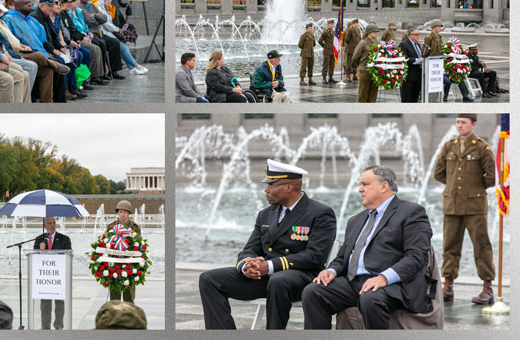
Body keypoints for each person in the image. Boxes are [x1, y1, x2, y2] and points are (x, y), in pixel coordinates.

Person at [199, 160, 337, 329]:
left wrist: (269, 266)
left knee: (278, 281)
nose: (266, 189)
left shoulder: (320, 213)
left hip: (302, 277)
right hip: (265, 277)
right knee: (209, 279)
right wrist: (247, 265)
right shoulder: (265, 214)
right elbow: (250, 248)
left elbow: (315, 256)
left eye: (271, 185)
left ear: (288, 187)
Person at [301, 166, 433, 330]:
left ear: (384, 186)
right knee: (313, 292)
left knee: (370, 298)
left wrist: (384, 278)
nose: (359, 189)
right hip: (355, 282)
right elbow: (342, 257)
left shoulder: (412, 212)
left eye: (365, 184)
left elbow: (416, 256)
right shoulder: (356, 220)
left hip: (395, 284)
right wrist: (331, 271)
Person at [434, 114, 496, 305]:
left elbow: (492, 176)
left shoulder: (482, 147)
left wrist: (474, 187)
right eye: (458, 122)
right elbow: (438, 173)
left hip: (474, 205)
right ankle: (448, 286)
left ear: (473, 124)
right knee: (450, 246)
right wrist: (453, 186)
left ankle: (487, 287)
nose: (459, 126)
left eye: (463, 122)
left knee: (481, 246)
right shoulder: (449, 146)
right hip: (452, 204)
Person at [4, 0, 75, 101]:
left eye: (29, 2)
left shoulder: (32, 20)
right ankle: (54, 63)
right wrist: (22, 48)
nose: (29, 4)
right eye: (26, 3)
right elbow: (9, 41)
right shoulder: (9, 19)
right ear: (17, 7)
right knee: (40, 56)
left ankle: (47, 103)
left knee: (48, 70)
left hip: (40, 54)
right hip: (22, 52)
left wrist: (53, 50)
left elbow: (44, 40)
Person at [33, 217, 72, 329]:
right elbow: (34, 258)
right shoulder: (39, 239)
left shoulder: (65, 239)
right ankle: (45, 327)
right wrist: (41, 251)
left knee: (59, 302)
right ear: (45, 226)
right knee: (45, 303)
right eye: (49, 223)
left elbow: (68, 255)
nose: (52, 225)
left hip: (59, 276)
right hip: (45, 276)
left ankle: (58, 326)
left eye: (54, 223)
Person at [97, 0, 148, 74]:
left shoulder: (105, 8)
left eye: (110, 0)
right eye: (108, 0)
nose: (110, 2)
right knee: (122, 47)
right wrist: (118, 30)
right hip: (104, 33)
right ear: (103, 0)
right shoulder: (99, 9)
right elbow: (106, 24)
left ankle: (132, 68)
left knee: (124, 46)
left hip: (110, 32)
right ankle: (135, 65)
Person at [423, 19, 472, 102]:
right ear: (433, 27)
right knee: (447, 81)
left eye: (440, 27)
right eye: (439, 27)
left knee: (458, 75)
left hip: (441, 62)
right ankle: (444, 96)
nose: (440, 28)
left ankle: (465, 95)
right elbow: (425, 51)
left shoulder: (439, 37)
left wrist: (448, 54)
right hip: (432, 63)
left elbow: (442, 49)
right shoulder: (428, 37)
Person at [105, 201, 142, 302]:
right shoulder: (111, 227)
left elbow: (138, 246)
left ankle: (129, 317)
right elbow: (107, 244)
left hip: (129, 265)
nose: (123, 214)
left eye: (125, 212)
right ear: (118, 213)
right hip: (115, 264)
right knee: (114, 297)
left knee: (129, 297)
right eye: (121, 211)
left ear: (129, 213)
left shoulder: (135, 228)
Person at [352, 23, 379, 103]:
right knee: (363, 94)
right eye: (374, 31)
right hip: (364, 71)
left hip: (375, 71)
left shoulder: (377, 43)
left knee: (373, 94)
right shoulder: (363, 43)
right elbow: (355, 57)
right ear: (369, 33)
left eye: (376, 31)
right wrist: (361, 66)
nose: (376, 33)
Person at [399, 27, 423, 103]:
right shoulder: (403, 44)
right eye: (416, 34)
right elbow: (404, 58)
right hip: (409, 76)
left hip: (418, 76)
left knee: (415, 98)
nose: (418, 36)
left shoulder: (418, 45)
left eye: (418, 34)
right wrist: (416, 60)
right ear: (410, 35)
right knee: (407, 99)